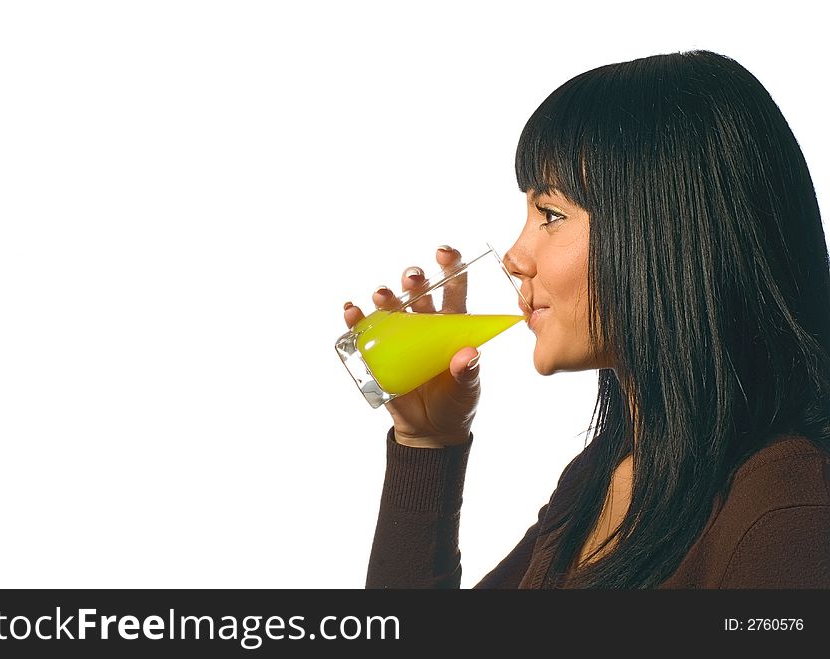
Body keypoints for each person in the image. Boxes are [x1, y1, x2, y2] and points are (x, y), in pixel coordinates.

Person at [341, 50, 830, 588]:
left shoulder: (787, 515)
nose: (512, 258)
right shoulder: (605, 477)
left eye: (550, 215)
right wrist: (427, 446)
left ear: (666, 233)